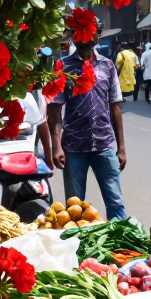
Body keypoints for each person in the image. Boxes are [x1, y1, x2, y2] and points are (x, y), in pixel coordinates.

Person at [47, 28, 126, 219]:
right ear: (74, 38)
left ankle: (121, 247)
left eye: (89, 34)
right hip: (73, 147)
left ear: (96, 37)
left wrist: (121, 147)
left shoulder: (108, 66)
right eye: (80, 35)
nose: (85, 39)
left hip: (104, 145)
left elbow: (115, 108)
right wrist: (56, 147)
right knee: (74, 208)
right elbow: (55, 110)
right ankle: (78, 246)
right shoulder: (62, 67)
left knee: (115, 203)